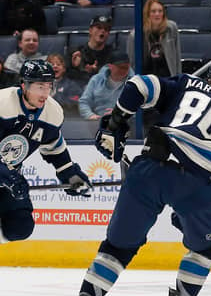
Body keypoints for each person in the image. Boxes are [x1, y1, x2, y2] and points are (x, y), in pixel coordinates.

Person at [64, 62, 211, 296]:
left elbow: (138, 86)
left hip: (149, 166)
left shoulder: (187, 82)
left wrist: (118, 121)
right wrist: (189, 215)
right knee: (204, 248)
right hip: (195, 184)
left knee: (117, 247)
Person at [0, 59, 92, 244]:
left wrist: (69, 173)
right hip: (6, 176)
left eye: (49, 86)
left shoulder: (52, 112)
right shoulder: (3, 103)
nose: (45, 93)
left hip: (7, 179)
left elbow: (53, 147)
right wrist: (6, 174)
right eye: (39, 86)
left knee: (20, 225)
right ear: (24, 85)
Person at [127, 0, 182, 77]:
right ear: (147, 14)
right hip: (146, 80)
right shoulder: (135, 35)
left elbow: (177, 57)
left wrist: (178, 79)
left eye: (160, 11)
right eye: (153, 11)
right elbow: (131, 64)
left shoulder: (171, 28)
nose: (157, 14)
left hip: (168, 78)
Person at [78, 51, 134, 120]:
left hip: (125, 124)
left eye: (126, 67)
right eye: (120, 67)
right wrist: (90, 115)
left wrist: (121, 113)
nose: (123, 70)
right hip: (97, 124)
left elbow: (141, 108)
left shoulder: (135, 83)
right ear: (110, 66)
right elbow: (84, 102)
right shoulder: (96, 80)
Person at [67, 15, 114, 81]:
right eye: (99, 27)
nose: (103, 31)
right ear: (90, 30)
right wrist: (75, 67)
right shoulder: (76, 53)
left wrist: (96, 71)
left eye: (106, 29)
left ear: (108, 34)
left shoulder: (113, 54)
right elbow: (67, 78)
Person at [47, 52, 84, 117]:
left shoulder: (71, 85)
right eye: (51, 64)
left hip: (65, 116)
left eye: (58, 64)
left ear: (64, 69)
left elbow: (76, 100)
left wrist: (55, 98)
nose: (55, 66)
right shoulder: (39, 85)